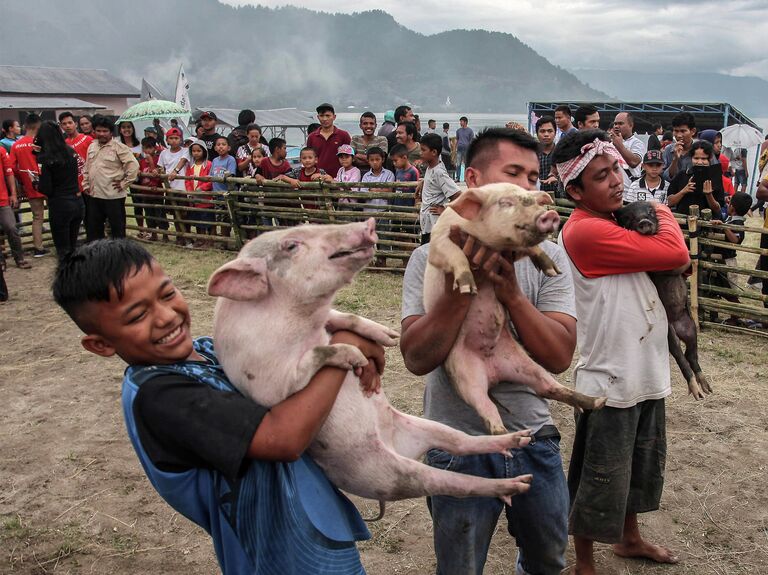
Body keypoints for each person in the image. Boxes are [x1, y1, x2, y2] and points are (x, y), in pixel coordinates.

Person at [51, 239, 381, 575]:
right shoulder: (159, 396)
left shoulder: (210, 350)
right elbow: (283, 438)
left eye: (166, 294)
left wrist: (345, 335)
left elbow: (285, 346)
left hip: (314, 528)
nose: (166, 317)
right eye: (137, 315)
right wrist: (342, 349)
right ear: (101, 344)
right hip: (276, 558)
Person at [401, 126, 577, 575]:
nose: (527, 188)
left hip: (533, 438)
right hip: (458, 444)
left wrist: (513, 294)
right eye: (514, 174)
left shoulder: (547, 256)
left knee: (548, 559)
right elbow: (417, 358)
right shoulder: (429, 258)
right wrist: (466, 286)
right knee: (459, 564)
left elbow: (559, 356)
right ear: (475, 184)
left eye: (534, 178)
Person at [553, 129, 688, 575]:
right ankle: (585, 564)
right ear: (575, 191)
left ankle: (629, 538)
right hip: (608, 376)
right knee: (599, 474)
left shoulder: (614, 221)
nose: (616, 180)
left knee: (635, 464)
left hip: (642, 367)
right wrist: (662, 207)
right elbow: (674, 252)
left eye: (616, 169)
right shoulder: (585, 230)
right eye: (600, 176)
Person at [82, 114, 140, 241]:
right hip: (94, 195)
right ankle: (97, 256)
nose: (102, 134)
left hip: (113, 196)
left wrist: (124, 183)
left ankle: (118, 257)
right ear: (94, 131)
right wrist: (85, 184)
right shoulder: (92, 146)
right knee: (94, 230)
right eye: (98, 131)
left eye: (105, 131)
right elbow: (87, 167)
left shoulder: (119, 147)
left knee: (117, 230)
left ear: (110, 132)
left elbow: (133, 166)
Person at [35, 121, 84, 261]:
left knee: (63, 249)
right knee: (73, 246)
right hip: (77, 201)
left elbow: (46, 188)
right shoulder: (71, 151)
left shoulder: (46, 158)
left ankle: (67, 277)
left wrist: (36, 183)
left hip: (60, 203)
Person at [11, 113, 48, 257]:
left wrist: (22, 179)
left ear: (25, 126)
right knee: (56, 214)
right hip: (48, 184)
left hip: (30, 185)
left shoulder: (16, 145)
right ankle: (60, 243)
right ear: (39, 126)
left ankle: (38, 248)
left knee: (37, 217)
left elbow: (13, 167)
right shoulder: (42, 142)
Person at [418, 133, 459, 245]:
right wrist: (423, 182)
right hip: (427, 224)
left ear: (434, 152)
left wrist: (446, 210)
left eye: (423, 150)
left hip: (435, 226)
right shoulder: (430, 167)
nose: (420, 153)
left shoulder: (439, 172)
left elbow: (458, 195)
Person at [666, 140, 724, 216]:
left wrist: (709, 195)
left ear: (709, 159)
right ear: (691, 158)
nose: (699, 162)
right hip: (684, 222)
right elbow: (670, 202)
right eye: (696, 158)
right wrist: (684, 191)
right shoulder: (682, 175)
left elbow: (717, 208)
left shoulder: (714, 177)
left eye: (703, 159)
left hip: (706, 224)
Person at [360, 147, 394, 266]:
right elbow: (363, 192)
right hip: (369, 211)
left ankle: (382, 260)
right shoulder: (366, 176)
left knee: (383, 234)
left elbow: (389, 191)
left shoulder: (389, 174)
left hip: (383, 210)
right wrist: (380, 190)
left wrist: (372, 189)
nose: (375, 162)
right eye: (372, 160)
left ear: (383, 159)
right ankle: (369, 259)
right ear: (368, 161)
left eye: (377, 159)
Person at [0, 142, 29, 269]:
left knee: (11, 227)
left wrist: (13, 193)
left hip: (2, 199)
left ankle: (19, 258)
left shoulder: (1, 150)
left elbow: (9, 173)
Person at [306, 103, 351, 177]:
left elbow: (350, 157)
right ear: (318, 117)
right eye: (321, 116)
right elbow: (309, 157)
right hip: (317, 178)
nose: (324, 119)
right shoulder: (312, 137)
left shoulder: (343, 135)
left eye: (327, 116)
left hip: (338, 179)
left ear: (334, 117)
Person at [138, 137, 169, 242]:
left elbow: (158, 173)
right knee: (149, 214)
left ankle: (165, 235)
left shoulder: (157, 160)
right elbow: (140, 172)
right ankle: (154, 234)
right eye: (145, 148)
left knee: (160, 213)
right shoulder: (141, 161)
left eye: (150, 148)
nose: (147, 151)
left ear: (154, 148)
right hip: (146, 192)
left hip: (157, 192)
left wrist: (151, 161)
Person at [184, 140, 214, 247]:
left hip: (206, 198)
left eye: (198, 151)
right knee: (197, 219)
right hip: (194, 198)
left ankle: (209, 240)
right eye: (193, 151)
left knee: (207, 219)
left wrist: (201, 188)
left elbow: (211, 180)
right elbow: (187, 180)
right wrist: (189, 191)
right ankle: (200, 238)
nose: (196, 153)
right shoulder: (190, 166)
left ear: (204, 151)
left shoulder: (209, 165)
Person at [663, 112, 706, 181]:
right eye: (676, 131)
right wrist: (675, 159)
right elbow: (665, 177)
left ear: (693, 131)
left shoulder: (703, 149)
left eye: (683, 131)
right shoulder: (668, 150)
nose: (679, 135)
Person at [610, 112, 645, 190]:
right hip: (612, 190)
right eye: (615, 124)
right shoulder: (609, 144)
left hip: (629, 192)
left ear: (631, 125)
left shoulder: (637, 143)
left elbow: (634, 162)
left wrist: (620, 145)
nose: (616, 126)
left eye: (620, 124)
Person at [210, 136, 236, 239]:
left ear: (228, 147)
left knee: (228, 217)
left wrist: (221, 177)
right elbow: (211, 175)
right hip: (217, 193)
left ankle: (225, 239)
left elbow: (230, 175)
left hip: (227, 194)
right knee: (220, 217)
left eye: (223, 144)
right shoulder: (215, 160)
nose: (221, 147)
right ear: (215, 148)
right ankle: (223, 240)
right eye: (218, 145)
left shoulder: (231, 159)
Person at [536, 116, 558, 194]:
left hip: (559, 199)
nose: (546, 134)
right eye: (542, 131)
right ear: (537, 133)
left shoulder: (561, 153)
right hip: (536, 196)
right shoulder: (532, 154)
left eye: (549, 131)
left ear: (555, 133)